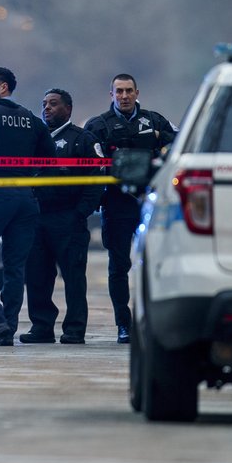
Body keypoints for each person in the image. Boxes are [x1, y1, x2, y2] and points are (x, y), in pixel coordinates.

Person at [0, 67, 57, 347]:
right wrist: (33, 185)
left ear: (3, 88)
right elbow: (50, 157)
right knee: (15, 265)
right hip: (26, 200)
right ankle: (8, 329)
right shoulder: (30, 118)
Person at [84, 73, 178, 344]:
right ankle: (123, 324)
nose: (124, 96)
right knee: (119, 267)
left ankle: (153, 322)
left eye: (128, 91)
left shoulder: (156, 121)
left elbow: (177, 146)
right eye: (119, 91)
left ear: (137, 93)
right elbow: (89, 164)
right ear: (110, 94)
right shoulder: (98, 125)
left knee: (157, 265)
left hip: (151, 203)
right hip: (116, 204)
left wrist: (161, 140)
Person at [20, 88, 104, 345]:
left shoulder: (83, 140)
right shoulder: (32, 139)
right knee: (36, 276)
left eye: (53, 104)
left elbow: (96, 179)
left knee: (74, 277)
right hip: (37, 217)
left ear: (68, 109)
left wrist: (81, 212)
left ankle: (75, 329)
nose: (46, 108)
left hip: (68, 218)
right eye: (44, 103)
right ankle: (42, 326)